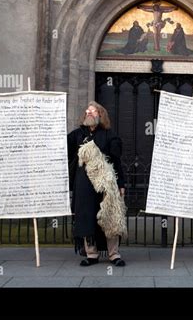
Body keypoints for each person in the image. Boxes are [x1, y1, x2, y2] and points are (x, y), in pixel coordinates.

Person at [67, 101, 127, 267]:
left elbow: (116, 161)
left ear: (100, 115)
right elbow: (61, 147)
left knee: (110, 216)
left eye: (92, 111)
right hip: (84, 185)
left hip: (105, 184)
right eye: (87, 111)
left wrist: (121, 184)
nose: (88, 113)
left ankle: (114, 254)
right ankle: (91, 254)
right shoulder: (78, 135)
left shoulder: (109, 135)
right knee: (86, 217)